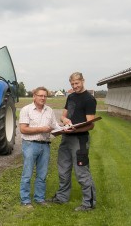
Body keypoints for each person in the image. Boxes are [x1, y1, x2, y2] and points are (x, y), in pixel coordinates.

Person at [49, 72, 97, 212]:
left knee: (81, 171)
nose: (75, 86)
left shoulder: (89, 99)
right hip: (66, 137)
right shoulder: (70, 97)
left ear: (83, 81)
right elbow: (63, 116)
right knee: (63, 169)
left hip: (79, 140)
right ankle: (62, 197)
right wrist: (65, 121)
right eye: (72, 84)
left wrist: (74, 130)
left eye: (77, 83)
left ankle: (89, 203)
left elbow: (91, 124)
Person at [19, 86, 60, 208]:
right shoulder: (26, 110)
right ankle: (25, 201)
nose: (43, 98)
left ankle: (39, 198)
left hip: (45, 145)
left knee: (42, 174)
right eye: (40, 95)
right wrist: (42, 129)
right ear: (34, 96)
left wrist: (65, 128)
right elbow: (23, 129)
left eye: (45, 96)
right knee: (27, 174)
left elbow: (55, 126)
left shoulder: (50, 110)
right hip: (30, 145)